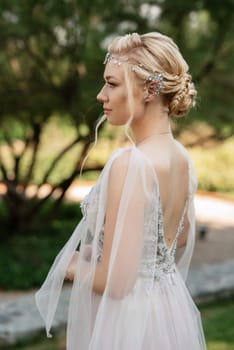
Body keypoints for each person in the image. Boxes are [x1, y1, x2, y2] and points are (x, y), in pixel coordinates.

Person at [35, 32, 207, 350]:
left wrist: (71, 265)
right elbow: (179, 238)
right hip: (167, 309)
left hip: (129, 321)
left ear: (150, 89)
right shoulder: (181, 157)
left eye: (112, 84)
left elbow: (117, 283)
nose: (101, 95)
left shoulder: (130, 163)